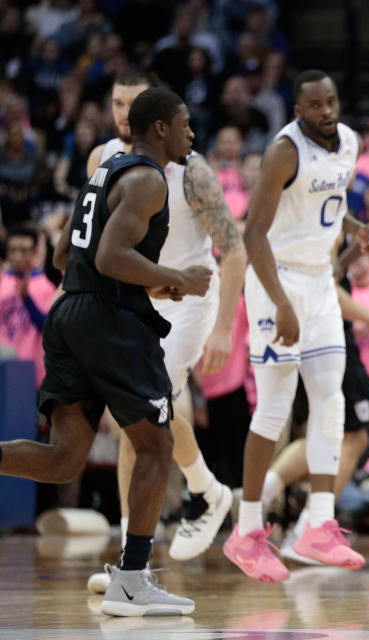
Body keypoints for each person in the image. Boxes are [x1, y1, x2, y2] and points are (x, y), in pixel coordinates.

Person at [0, 88, 210, 616]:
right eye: (184, 124)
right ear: (159, 128)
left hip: (70, 312)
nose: (191, 133)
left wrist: (152, 284)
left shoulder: (105, 172)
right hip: (107, 322)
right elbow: (114, 256)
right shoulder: (146, 179)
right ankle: (132, 579)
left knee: (64, 458)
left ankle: (132, 578)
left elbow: (62, 253)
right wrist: (175, 275)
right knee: (157, 447)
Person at [83, 73, 246, 591]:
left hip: (190, 297)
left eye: (131, 104)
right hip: (137, 296)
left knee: (149, 403)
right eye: (115, 103)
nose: (121, 113)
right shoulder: (103, 158)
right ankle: (138, 556)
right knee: (135, 424)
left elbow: (234, 248)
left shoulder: (192, 172)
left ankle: (194, 500)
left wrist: (223, 328)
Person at [223, 69, 369, 583]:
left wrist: (356, 227)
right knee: (273, 408)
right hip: (278, 280)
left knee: (330, 397)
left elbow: (325, 208)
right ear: (298, 111)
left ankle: (319, 522)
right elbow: (254, 236)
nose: (327, 111)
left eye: (332, 101)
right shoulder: (283, 152)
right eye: (315, 105)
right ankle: (246, 531)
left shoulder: (351, 142)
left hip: (318, 282)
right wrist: (279, 302)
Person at [0, 224, 57, 387]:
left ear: (34, 252)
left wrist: (27, 300)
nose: (18, 256)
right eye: (13, 250)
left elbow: (48, 328)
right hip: (4, 364)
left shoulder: (45, 286)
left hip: (34, 371)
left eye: (24, 251)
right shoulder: (2, 281)